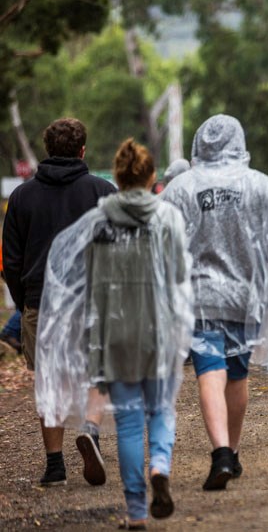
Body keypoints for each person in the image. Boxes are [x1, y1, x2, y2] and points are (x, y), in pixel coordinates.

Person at [35, 138, 193, 528]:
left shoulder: (99, 220)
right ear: (152, 176)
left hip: (115, 332)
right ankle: (160, 467)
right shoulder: (168, 218)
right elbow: (178, 278)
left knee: (126, 420)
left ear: (118, 176)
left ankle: (137, 511)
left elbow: (87, 279)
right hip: (159, 330)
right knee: (160, 410)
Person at [162, 114, 268, 490]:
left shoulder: (180, 187)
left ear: (198, 144)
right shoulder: (260, 186)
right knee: (237, 375)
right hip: (245, 296)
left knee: (209, 369)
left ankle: (221, 451)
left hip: (199, 296)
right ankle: (231, 453)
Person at [2, 117, 116, 487]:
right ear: (82, 150)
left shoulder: (22, 197)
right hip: (92, 301)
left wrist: (25, 304)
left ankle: (54, 465)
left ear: (48, 150)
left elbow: (11, 260)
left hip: (41, 303)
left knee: (49, 382)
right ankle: (90, 432)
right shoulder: (103, 192)